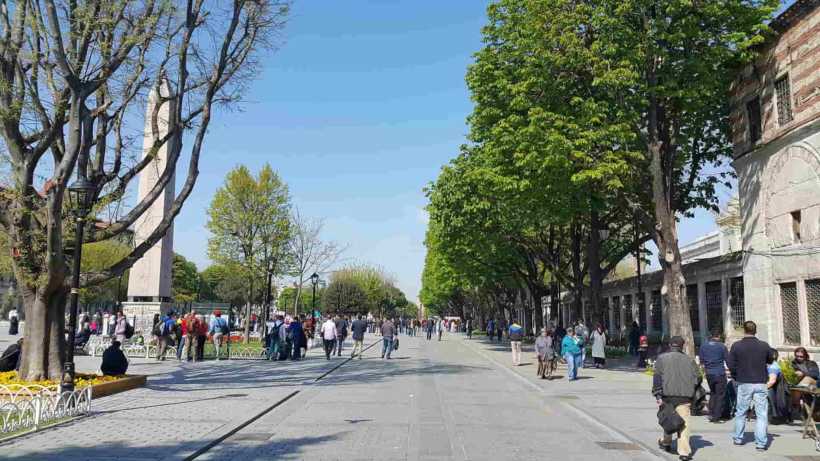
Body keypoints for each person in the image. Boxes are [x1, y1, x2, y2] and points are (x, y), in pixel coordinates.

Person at [653, 336, 700, 461]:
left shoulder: (661, 358)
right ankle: (684, 452)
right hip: (684, 397)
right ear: (682, 345)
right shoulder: (689, 360)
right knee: (684, 423)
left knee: (668, 418)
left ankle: (666, 442)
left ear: (670, 345)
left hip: (667, 395)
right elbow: (698, 378)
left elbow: (657, 378)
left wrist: (658, 394)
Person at [728, 320, 771, 452]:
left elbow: (731, 364)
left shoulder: (737, 346)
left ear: (744, 330)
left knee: (741, 411)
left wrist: (736, 375)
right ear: (755, 330)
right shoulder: (764, 345)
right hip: (760, 381)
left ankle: (738, 438)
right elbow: (770, 359)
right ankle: (761, 443)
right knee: (762, 414)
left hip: (744, 381)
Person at [699, 329, 729, 423]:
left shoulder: (703, 346)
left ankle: (711, 413)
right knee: (720, 395)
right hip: (719, 373)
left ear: (711, 336)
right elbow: (728, 360)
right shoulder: (722, 346)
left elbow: (701, 361)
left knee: (713, 393)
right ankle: (717, 417)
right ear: (719, 336)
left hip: (709, 373)